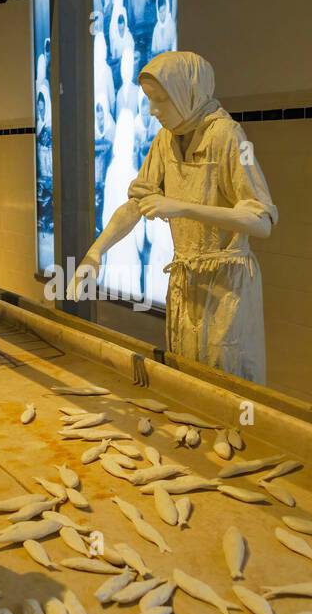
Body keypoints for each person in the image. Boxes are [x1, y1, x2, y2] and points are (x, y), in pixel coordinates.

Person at [69, 51, 277, 383]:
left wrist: (181, 207)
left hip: (226, 283)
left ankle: (233, 431)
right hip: (187, 280)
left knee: (227, 375)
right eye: (150, 101)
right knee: (187, 373)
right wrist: (96, 252)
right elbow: (137, 203)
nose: (153, 111)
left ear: (186, 93)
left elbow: (261, 221)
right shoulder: (166, 139)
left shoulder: (226, 136)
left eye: (160, 100)